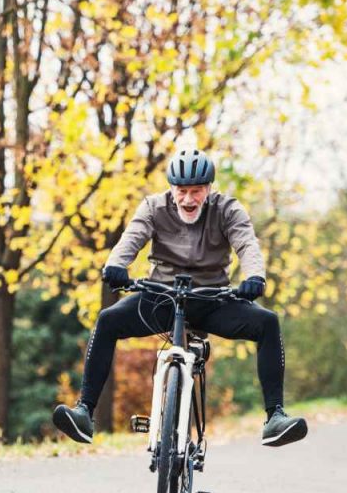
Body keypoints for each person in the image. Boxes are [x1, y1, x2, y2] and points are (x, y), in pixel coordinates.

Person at [52, 148, 307, 447]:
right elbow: (131, 238)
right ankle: (85, 412)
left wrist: (255, 277)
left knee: (267, 322)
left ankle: (275, 417)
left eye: (196, 191)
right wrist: (115, 266)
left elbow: (246, 243)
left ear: (209, 189)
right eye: (182, 191)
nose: (188, 199)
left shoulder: (228, 209)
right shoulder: (153, 207)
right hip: (161, 297)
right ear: (172, 188)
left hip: (212, 300)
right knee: (108, 320)